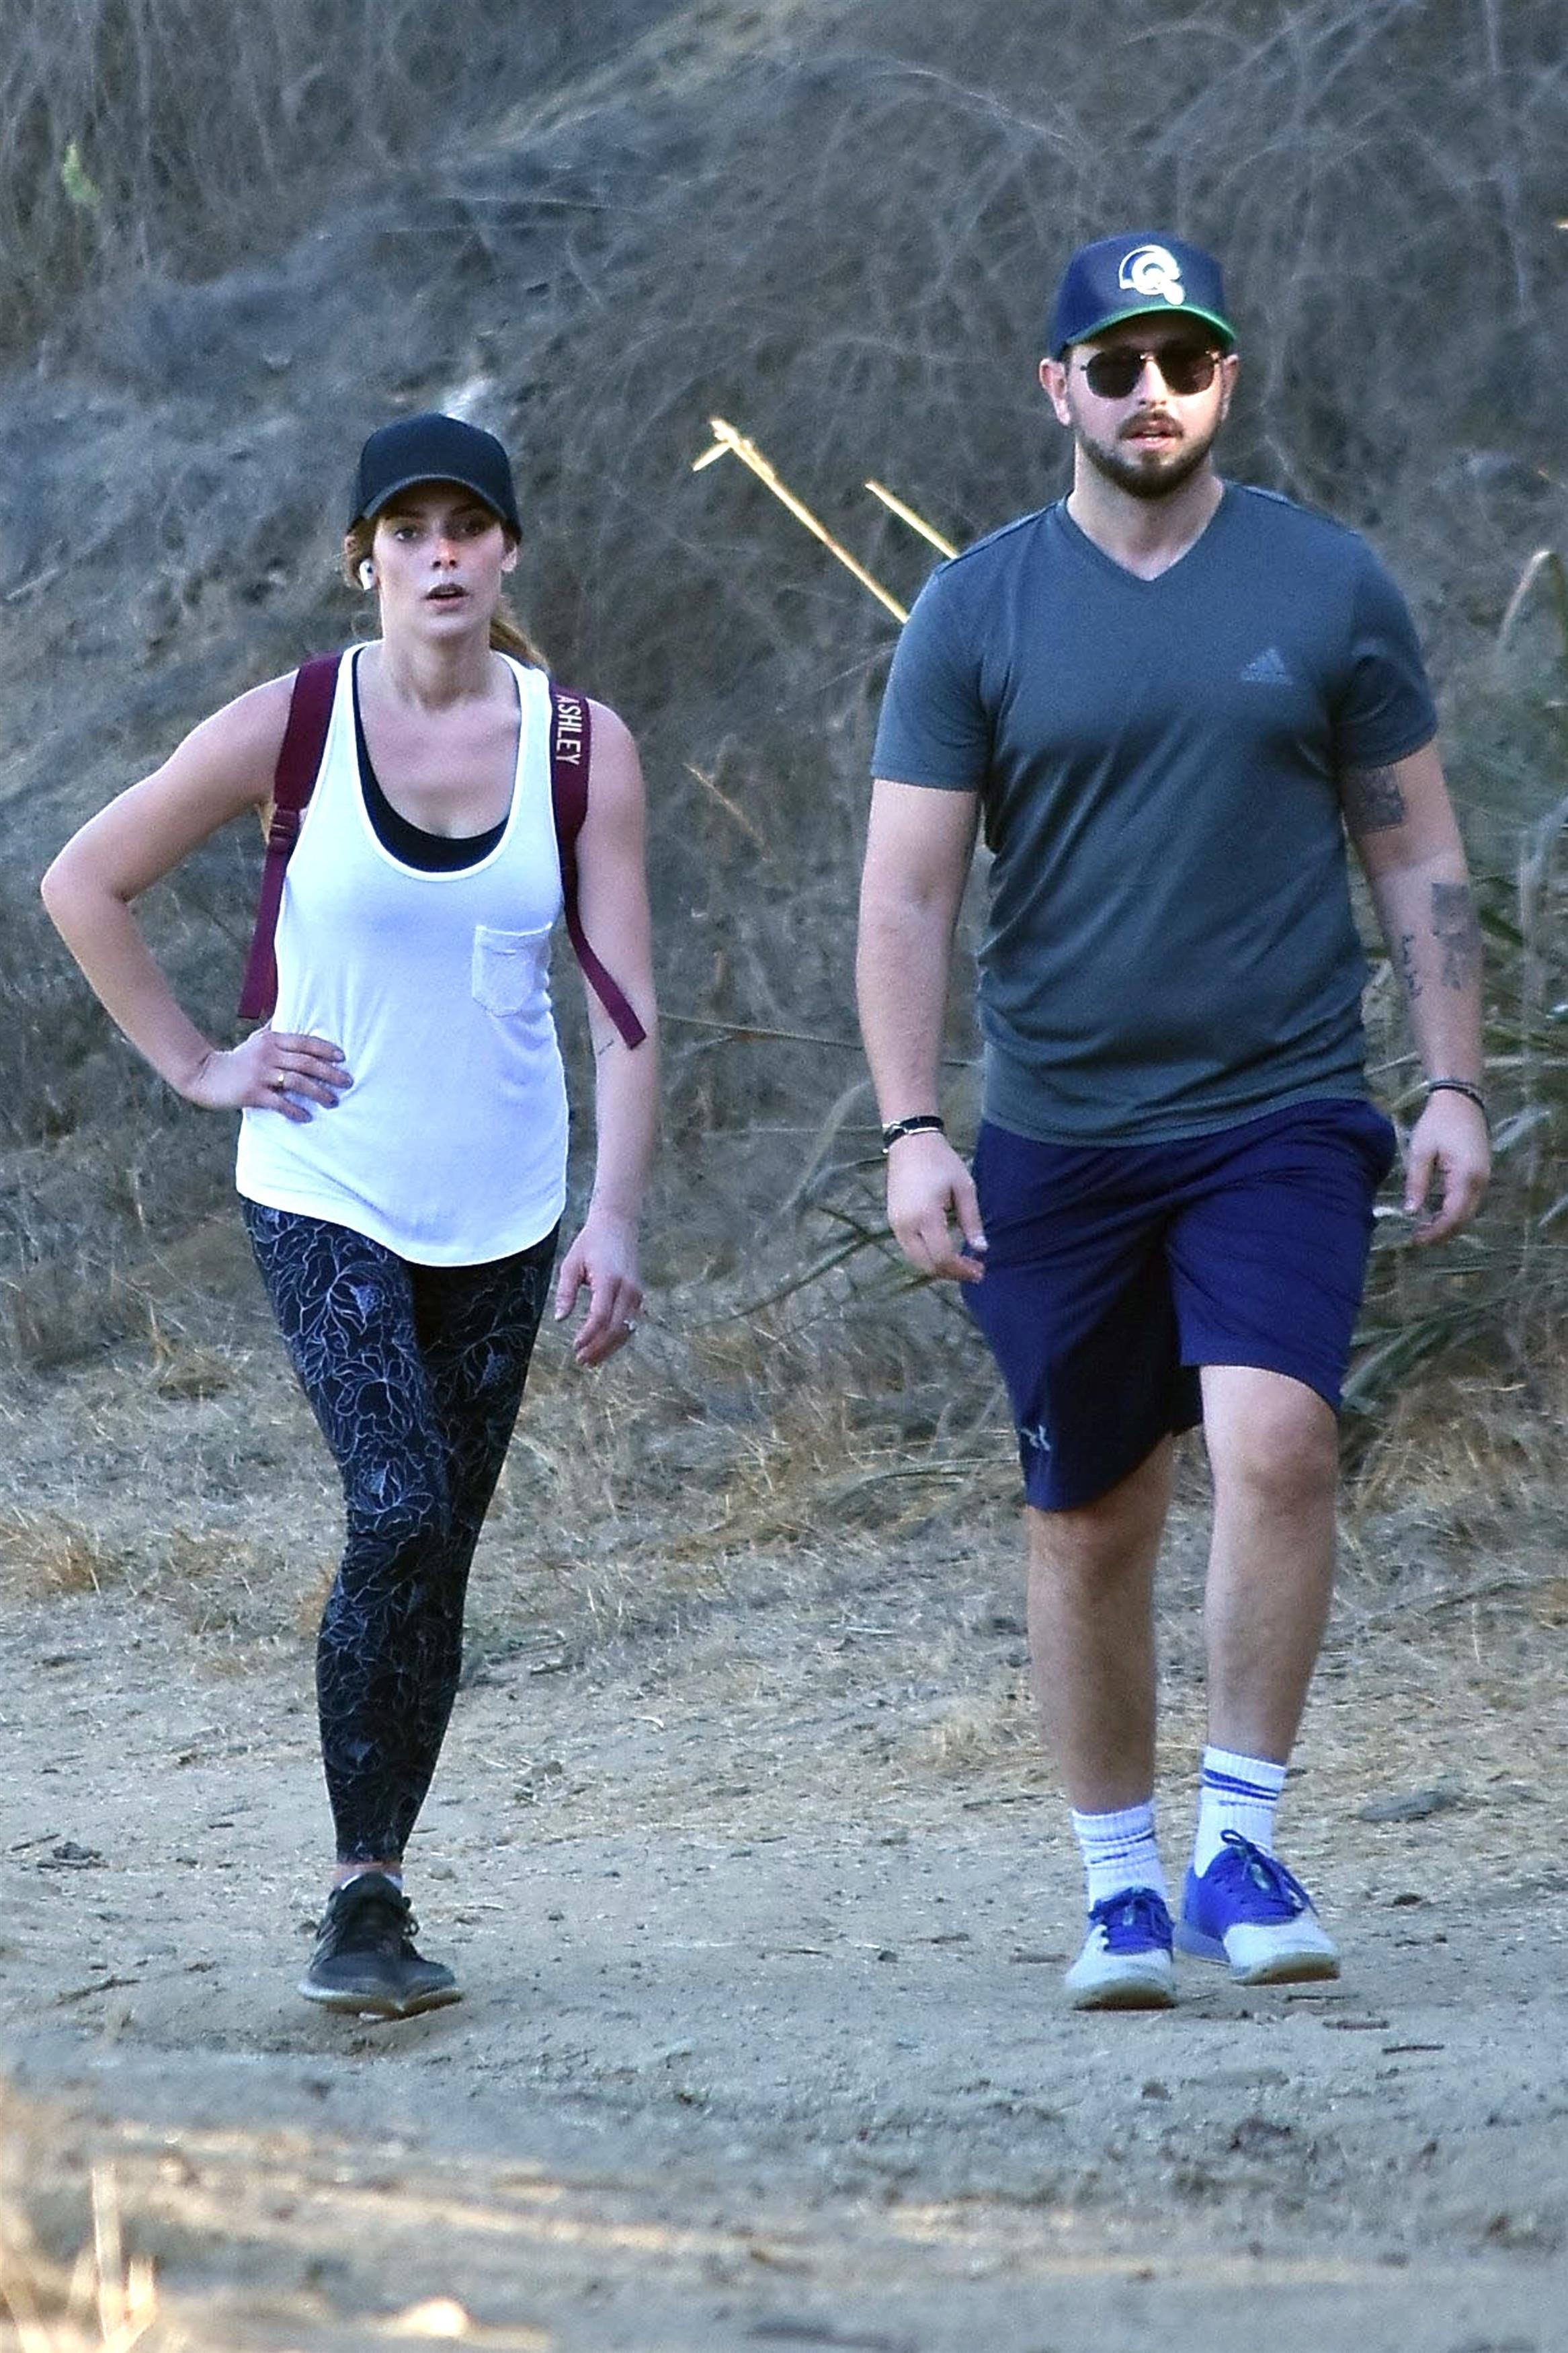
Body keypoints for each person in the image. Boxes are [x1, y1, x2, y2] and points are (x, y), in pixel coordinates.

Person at [856, 233, 1489, 2010]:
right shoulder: (974, 609)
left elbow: (1412, 848)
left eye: (1183, 363)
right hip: (1058, 1130)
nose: (1151, 394)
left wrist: (1447, 1079)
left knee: (1274, 1443)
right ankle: (1117, 1880)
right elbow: (903, 895)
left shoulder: (1325, 584)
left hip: (1276, 1106)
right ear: (1053, 386)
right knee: (1092, 1507)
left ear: (1226, 384)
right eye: (1114, 363)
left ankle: (1240, 1840)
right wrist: (915, 1124)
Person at [42, 413, 658, 2018]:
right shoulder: (293, 723)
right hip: (325, 1183)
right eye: (410, 530)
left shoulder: (581, 747)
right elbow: (80, 880)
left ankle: (384, 1877)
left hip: (512, 1204)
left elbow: (625, 1005)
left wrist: (616, 1217)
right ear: (365, 559)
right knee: (393, 1501)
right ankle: (353, 1898)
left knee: (437, 1548)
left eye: (470, 526)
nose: (442, 554)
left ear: (507, 550)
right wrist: (197, 1061)